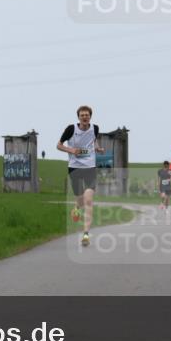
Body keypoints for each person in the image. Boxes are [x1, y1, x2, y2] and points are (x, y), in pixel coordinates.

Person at [56, 105, 104, 247]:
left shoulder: (95, 128)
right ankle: (77, 207)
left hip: (90, 167)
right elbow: (59, 145)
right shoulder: (71, 129)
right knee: (81, 200)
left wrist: (97, 148)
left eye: (87, 115)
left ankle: (86, 234)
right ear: (78, 117)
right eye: (82, 115)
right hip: (75, 168)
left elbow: (93, 140)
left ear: (90, 116)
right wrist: (71, 150)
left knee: (88, 200)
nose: (84, 117)